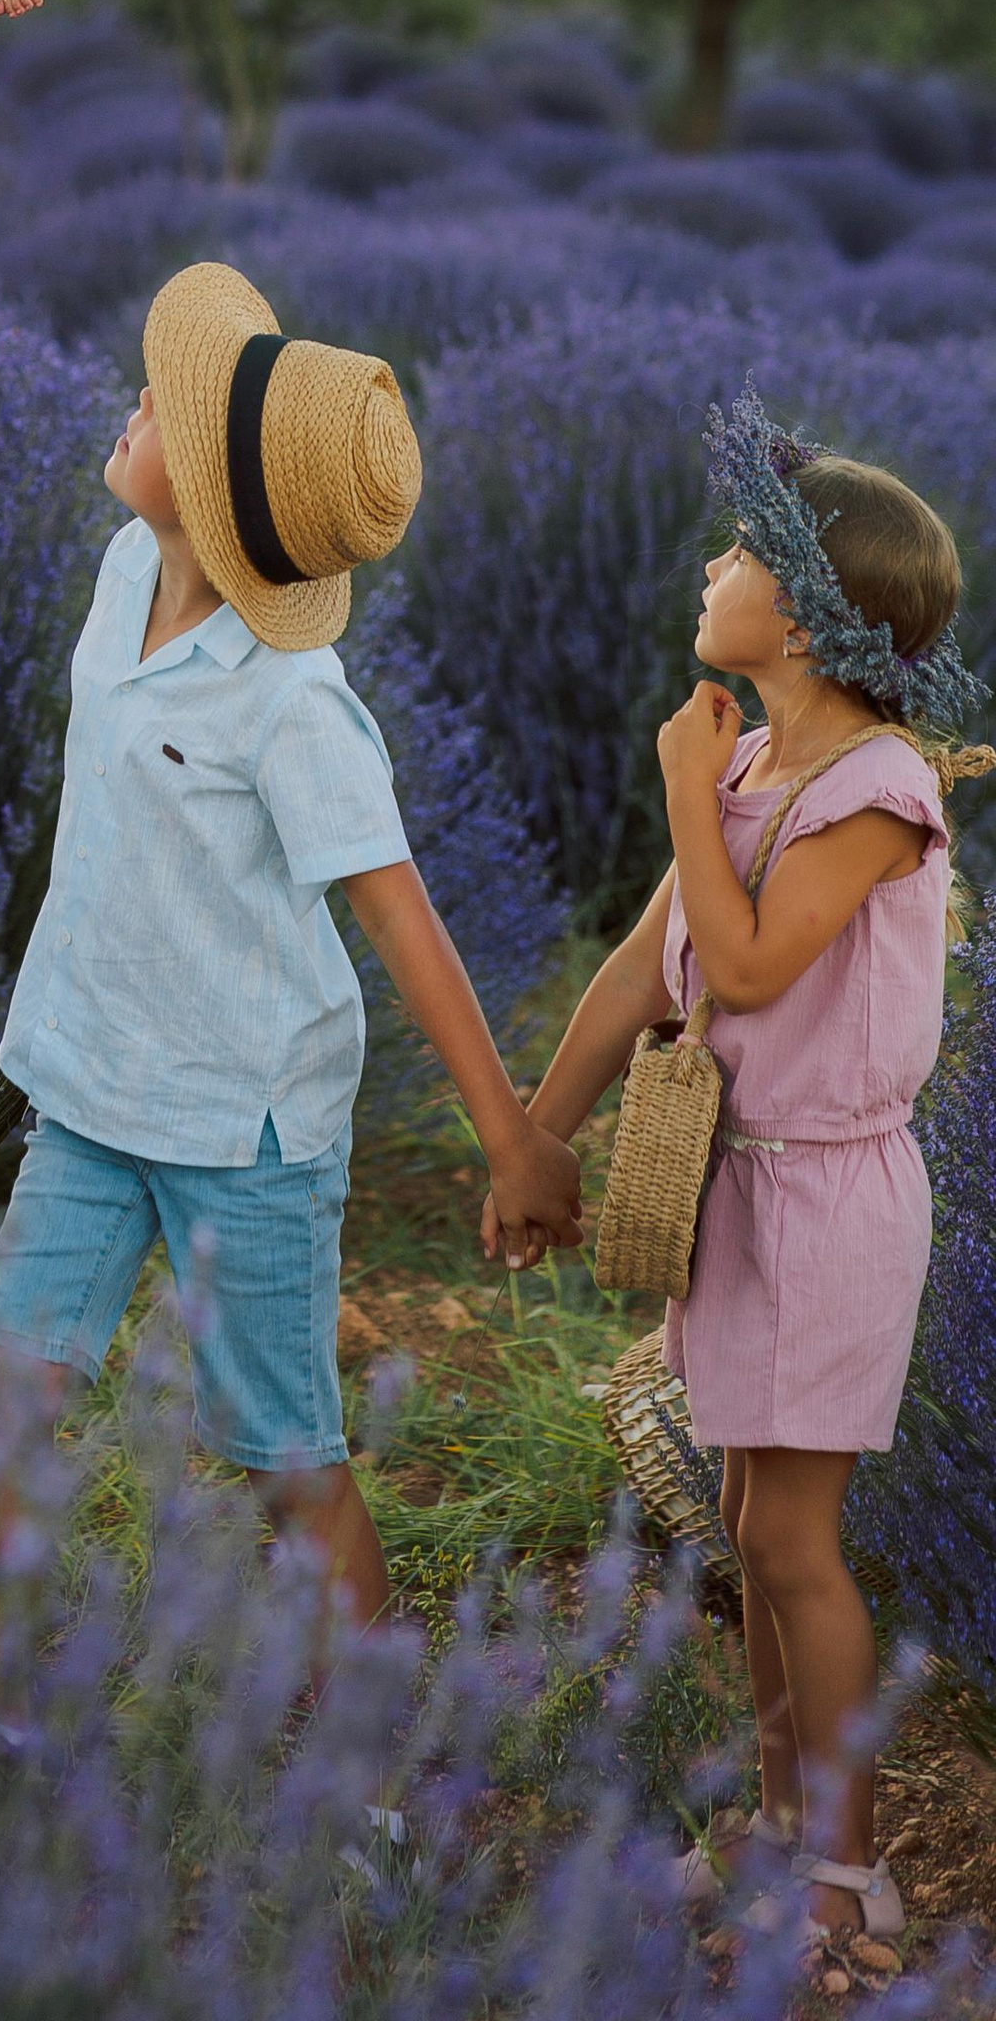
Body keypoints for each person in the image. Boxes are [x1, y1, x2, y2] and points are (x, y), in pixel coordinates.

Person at [0, 262, 585, 1627]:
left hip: (245, 1128)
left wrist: (511, 1137)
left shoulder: (294, 701)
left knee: (281, 1461)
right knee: (2, 1411)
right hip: (90, 1087)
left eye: (171, 410)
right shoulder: (127, 561)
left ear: (224, 504)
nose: (140, 399)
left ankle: (363, 1794)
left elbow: (397, 910)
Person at [507, 393, 990, 1963]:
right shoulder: (758, 763)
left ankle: (845, 1877)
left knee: (794, 1541)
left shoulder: (879, 797)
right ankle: (784, 1831)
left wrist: (676, 794)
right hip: (740, 1190)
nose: (707, 565)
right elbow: (641, 980)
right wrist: (535, 1138)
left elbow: (755, 967)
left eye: (738, 550)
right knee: (740, 1514)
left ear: (799, 607)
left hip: (834, 1204)